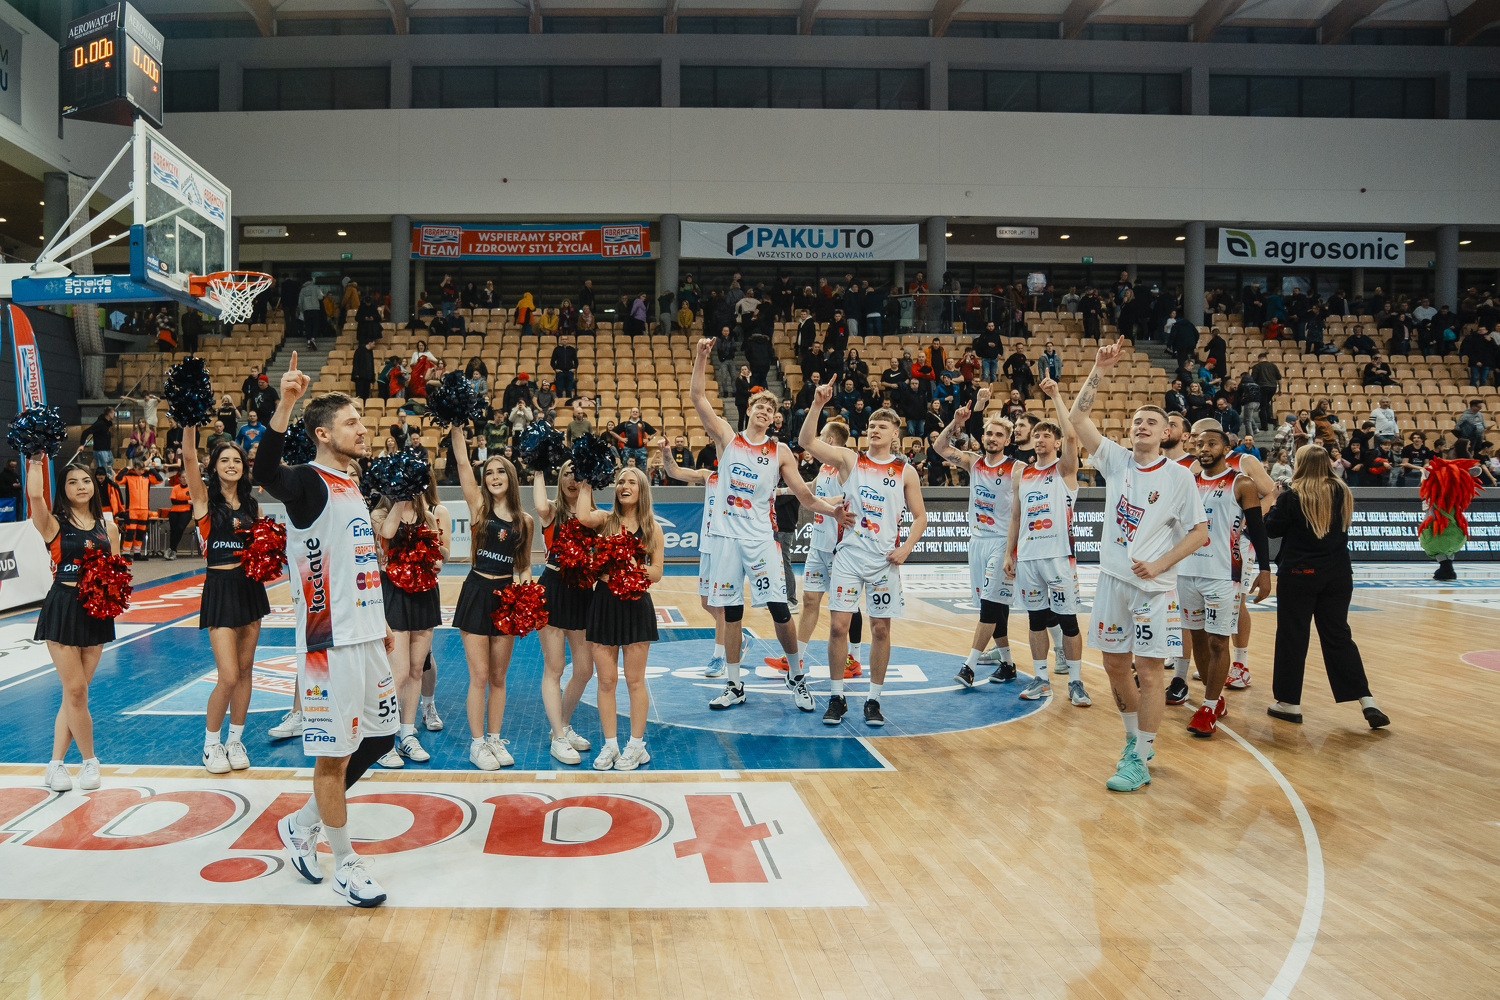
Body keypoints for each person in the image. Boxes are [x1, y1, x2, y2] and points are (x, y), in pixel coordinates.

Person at [259, 359, 397, 906]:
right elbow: (267, 472)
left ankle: (301, 823)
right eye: (350, 422)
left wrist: (380, 618)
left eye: (361, 420)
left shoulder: (350, 484)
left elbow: (357, 561)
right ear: (322, 434)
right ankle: (344, 863)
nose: (362, 428)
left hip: (365, 633)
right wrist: (286, 403)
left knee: (381, 738)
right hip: (328, 643)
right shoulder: (307, 483)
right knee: (333, 759)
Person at [1068, 337, 1209, 792]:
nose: (1142, 426)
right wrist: (1098, 370)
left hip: (1153, 589)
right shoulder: (1116, 461)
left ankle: (1142, 756)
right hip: (1112, 580)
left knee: (1149, 672)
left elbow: (1199, 533)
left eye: (1152, 421)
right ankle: (1134, 742)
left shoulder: (1180, 476)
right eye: (1136, 421)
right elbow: (1077, 419)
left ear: (1166, 433)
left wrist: (1161, 562)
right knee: (1114, 665)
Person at [690, 337, 839, 714]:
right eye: (759, 405)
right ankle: (734, 684)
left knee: (779, 609)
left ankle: (796, 675)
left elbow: (805, 497)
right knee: (732, 613)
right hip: (727, 538)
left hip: (760, 540)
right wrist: (701, 358)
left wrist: (833, 510)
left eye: (770, 409)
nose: (764, 411)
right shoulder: (727, 438)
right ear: (749, 409)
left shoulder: (780, 452)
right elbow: (698, 398)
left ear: (774, 418)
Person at [800, 385, 928, 727]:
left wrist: (906, 547)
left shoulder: (905, 471)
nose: (874, 430)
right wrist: (817, 404)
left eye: (882, 426)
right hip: (849, 556)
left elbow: (920, 517)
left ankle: (873, 700)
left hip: (884, 561)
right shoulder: (850, 459)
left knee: (881, 630)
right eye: (871, 425)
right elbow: (807, 441)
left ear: (895, 434)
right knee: (838, 626)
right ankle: (836, 696)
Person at [1265, 445, 1389, 730]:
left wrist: (1275, 499)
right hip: (1338, 575)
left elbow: (1272, 528)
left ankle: (1289, 702)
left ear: (1301, 464)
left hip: (1299, 574)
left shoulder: (1293, 495)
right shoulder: (1342, 491)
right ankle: (1367, 700)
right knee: (1338, 636)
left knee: (1293, 637)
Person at [183, 425, 271, 773]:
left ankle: (235, 740)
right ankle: (211, 745)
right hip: (219, 587)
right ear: (214, 466)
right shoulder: (204, 501)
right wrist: (189, 423)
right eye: (224, 460)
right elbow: (188, 457)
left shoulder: (252, 505)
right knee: (229, 675)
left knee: (246, 670)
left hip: (249, 587)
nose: (231, 465)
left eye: (237, 460)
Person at [1000, 376, 1093, 708]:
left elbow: (1072, 434)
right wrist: (1010, 553)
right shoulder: (1021, 474)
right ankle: (1041, 678)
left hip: (1058, 556)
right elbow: (1015, 517)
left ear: (1056, 442)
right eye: (1036, 434)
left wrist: (1055, 396)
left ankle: (1076, 681)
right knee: (1036, 620)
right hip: (1028, 556)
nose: (1039, 439)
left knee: (1067, 620)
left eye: (1046, 435)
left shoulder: (1064, 469)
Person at [1175, 426, 1273, 738]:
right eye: (1199, 443)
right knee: (1198, 639)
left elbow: (1257, 529)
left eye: (1212, 443)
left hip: (1223, 574)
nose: (1204, 448)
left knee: (1218, 641)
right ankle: (1214, 699)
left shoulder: (1241, 483)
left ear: (1225, 448)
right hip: (1187, 571)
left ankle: (1207, 707)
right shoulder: (1187, 482)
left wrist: (1266, 570)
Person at [31, 458, 121, 793]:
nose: (81, 486)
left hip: (96, 611)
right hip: (63, 606)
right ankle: (89, 761)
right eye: (72, 482)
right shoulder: (52, 523)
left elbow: (116, 571)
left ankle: (55, 765)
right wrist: (34, 457)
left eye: (85, 480)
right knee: (76, 691)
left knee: (75, 694)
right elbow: (35, 496)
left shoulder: (108, 528)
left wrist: (111, 599)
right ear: (63, 489)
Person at [449, 429, 533, 770]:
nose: (494, 477)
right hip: (476, 592)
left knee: (499, 677)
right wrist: (457, 428)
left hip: (506, 598)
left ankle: (495, 739)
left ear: (510, 477)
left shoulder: (525, 521)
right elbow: (461, 463)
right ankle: (477, 743)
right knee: (480, 675)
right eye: (489, 473)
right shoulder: (479, 507)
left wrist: (527, 594)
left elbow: (523, 565)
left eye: (500, 472)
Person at [762, 422, 867, 681]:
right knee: (810, 601)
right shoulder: (824, 467)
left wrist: (825, 502)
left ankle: (854, 659)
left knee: (848, 606)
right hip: (818, 545)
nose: (817, 439)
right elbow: (810, 488)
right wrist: (780, 491)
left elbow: (847, 497)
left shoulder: (848, 466)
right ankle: (795, 657)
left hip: (839, 548)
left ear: (829, 440)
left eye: (821, 436)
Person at [937, 390, 1020, 686]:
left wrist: (1013, 550)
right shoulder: (973, 462)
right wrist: (955, 423)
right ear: (982, 437)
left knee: (989, 606)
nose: (993, 438)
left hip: (1002, 542)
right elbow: (939, 447)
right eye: (989, 434)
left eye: (999, 435)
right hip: (978, 542)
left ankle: (969, 666)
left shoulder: (1016, 469)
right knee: (996, 606)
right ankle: (1008, 664)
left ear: (1007, 440)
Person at [371, 468, 451, 769]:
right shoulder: (379, 513)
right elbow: (389, 533)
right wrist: (400, 500)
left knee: (417, 668)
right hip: (394, 593)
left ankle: (406, 734)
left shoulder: (427, 515)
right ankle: (382, 740)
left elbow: (441, 555)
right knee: (399, 671)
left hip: (424, 592)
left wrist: (435, 552)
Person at [531, 461, 597, 764]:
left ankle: (564, 725)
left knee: (584, 669)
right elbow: (539, 505)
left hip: (583, 592)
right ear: (559, 479)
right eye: (567, 473)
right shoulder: (552, 511)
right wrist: (538, 467)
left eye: (579, 474)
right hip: (554, 588)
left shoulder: (594, 516)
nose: (573, 479)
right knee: (555, 667)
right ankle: (558, 737)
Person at [660, 444, 731, 680]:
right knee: (705, 603)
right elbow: (674, 472)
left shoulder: (741, 481)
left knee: (720, 606)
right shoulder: (709, 476)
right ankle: (736, 636)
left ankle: (719, 656)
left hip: (726, 548)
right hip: (707, 547)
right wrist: (667, 453)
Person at [551, 333, 578, 398]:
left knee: (569, 390)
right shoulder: (557, 349)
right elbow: (552, 361)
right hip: (560, 372)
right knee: (559, 390)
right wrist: (555, 369)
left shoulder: (572, 349)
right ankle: (559, 403)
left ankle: (568, 403)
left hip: (569, 372)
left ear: (568, 340)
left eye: (565, 339)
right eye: (563, 339)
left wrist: (574, 368)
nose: (564, 340)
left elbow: (576, 361)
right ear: (561, 340)